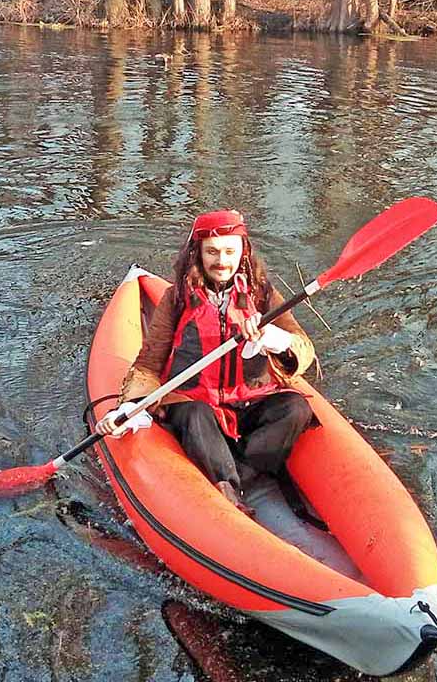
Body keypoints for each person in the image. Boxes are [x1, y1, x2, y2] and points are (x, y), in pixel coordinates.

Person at [95, 209, 317, 513]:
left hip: (250, 401)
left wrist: (275, 340)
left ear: (243, 252)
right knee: (194, 414)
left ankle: (245, 468)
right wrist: (132, 406)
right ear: (197, 253)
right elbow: (148, 365)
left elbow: (304, 349)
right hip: (199, 404)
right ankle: (227, 488)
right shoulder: (176, 300)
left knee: (296, 408)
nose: (221, 261)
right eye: (212, 252)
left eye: (229, 251)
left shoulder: (263, 295)